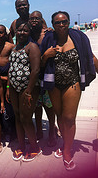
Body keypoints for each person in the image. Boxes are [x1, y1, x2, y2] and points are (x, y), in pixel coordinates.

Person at [40, 11, 96, 171]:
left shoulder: (79, 37)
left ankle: (67, 151)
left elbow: (90, 57)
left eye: (64, 21)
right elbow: (41, 65)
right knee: (60, 117)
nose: (62, 25)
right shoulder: (48, 39)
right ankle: (66, 143)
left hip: (72, 82)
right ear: (53, 24)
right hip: (54, 84)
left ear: (69, 21)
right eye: (58, 23)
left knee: (69, 118)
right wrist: (46, 55)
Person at [7, 22, 42, 162]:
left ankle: (34, 148)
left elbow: (36, 70)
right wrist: (9, 88)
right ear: (15, 32)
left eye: (25, 30)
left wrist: (28, 91)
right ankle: (21, 146)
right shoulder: (15, 48)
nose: (21, 33)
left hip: (28, 89)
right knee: (17, 116)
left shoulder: (32, 47)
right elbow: (11, 69)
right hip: (15, 88)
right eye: (19, 30)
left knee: (26, 118)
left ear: (29, 33)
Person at [29, 11, 57, 147]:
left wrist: (44, 58)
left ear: (41, 20)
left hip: (47, 76)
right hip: (34, 77)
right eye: (32, 19)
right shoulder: (28, 36)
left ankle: (52, 131)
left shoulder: (49, 34)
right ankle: (39, 130)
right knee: (36, 106)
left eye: (37, 18)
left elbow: (53, 54)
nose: (34, 21)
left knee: (49, 106)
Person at [0, 25, 16, 140]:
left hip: (9, 83)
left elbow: (14, 66)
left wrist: (7, 81)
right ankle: (1, 131)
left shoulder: (11, 47)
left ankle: (14, 132)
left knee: (11, 108)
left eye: (1, 33)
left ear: (6, 34)